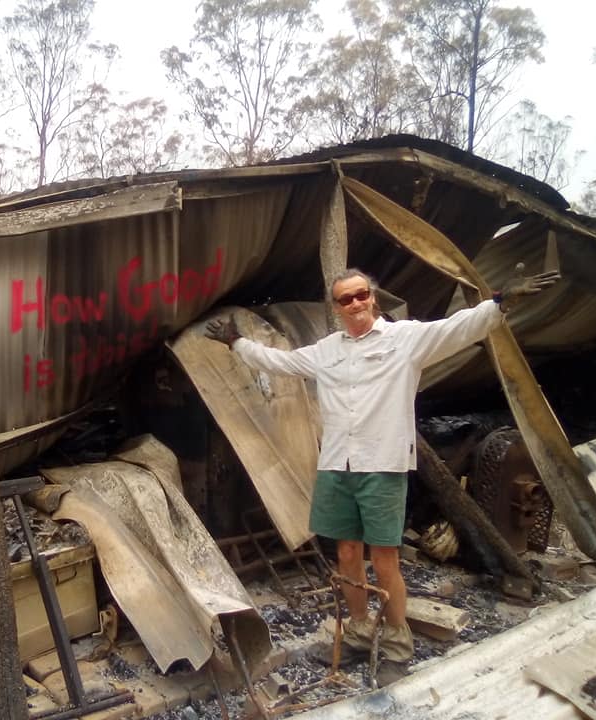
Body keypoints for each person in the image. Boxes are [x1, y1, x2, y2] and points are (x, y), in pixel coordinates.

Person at [204, 266, 560, 686]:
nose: (354, 304)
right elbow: (279, 362)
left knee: (385, 561)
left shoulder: (405, 339)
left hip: (383, 466)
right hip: (338, 466)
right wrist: (236, 342)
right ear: (336, 308)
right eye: (345, 299)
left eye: (360, 295)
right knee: (347, 556)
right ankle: (357, 633)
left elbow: (459, 328)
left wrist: (500, 303)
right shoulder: (327, 350)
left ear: (372, 298)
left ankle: (396, 647)